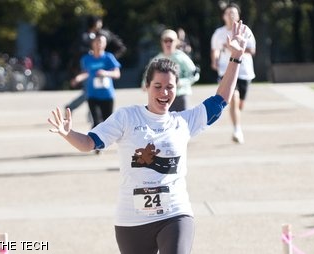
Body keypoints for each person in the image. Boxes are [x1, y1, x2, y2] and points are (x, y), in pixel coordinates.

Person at [48, 20, 250, 254]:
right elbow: (89, 143)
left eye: (170, 87)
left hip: (175, 215)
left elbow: (221, 99)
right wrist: (68, 133)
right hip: (131, 221)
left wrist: (236, 56)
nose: (164, 93)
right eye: (158, 86)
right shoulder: (126, 117)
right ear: (146, 86)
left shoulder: (183, 122)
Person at [211, 2, 256, 144]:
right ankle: (237, 130)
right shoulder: (219, 33)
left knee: (240, 104)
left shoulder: (245, 30)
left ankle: (237, 120)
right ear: (223, 16)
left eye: (234, 13)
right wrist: (215, 60)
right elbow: (215, 49)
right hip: (226, 70)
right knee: (234, 98)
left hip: (244, 71)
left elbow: (252, 50)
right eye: (228, 13)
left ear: (238, 16)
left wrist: (235, 49)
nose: (231, 15)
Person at [65, 15, 127, 114]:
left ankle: (88, 115)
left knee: (95, 92)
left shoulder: (105, 35)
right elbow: (76, 51)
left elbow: (120, 47)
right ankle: (91, 117)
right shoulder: (85, 36)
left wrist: (108, 58)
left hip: (103, 70)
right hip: (89, 66)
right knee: (89, 92)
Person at [70, 32, 121, 131]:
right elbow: (86, 73)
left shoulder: (108, 57)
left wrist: (105, 73)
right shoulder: (86, 59)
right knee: (96, 122)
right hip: (92, 95)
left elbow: (117, 74)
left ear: (105, 44)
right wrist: (78, 78)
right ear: (92, 43)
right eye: (97, 42)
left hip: (107, 95)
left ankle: (106, 142)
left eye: (101, 42)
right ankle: (96, 144)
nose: (99, 44)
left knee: (108, 122)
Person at [142, 29, 199, 112]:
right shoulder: (156, 59)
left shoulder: (182, 58)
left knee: (183, 122)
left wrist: (181, 82)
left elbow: (195, 75)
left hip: (181, 96)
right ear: (162, 42)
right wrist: (145, 84)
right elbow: (147, 76)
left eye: (171, 41)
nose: (168, 43)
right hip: (163, 97)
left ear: (176, 42)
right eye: (165, 41)